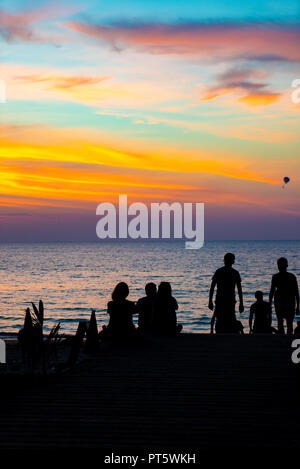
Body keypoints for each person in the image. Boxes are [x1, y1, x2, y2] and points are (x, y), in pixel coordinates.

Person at [209, 253, 244, 333]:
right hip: (226, 299)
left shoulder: (220, 271)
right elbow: (239, 290)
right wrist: (241, 303)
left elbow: (212, 288)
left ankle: (221, 333)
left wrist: (210, 301)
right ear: (233, 261)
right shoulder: (234, 272)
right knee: (226, 318)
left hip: (225, 299)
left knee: (223, 318)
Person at [269, 257, 299, 334]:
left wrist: (298, 306)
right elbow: (296, 292)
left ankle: (283, 340)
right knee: (286, 323)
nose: (280, 267)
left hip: (285, 300)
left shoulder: (277, 277)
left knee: (283, 323)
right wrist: (298, 306)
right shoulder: (291, 276)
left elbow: (272, 291)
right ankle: (286, 341)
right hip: (284, 301)